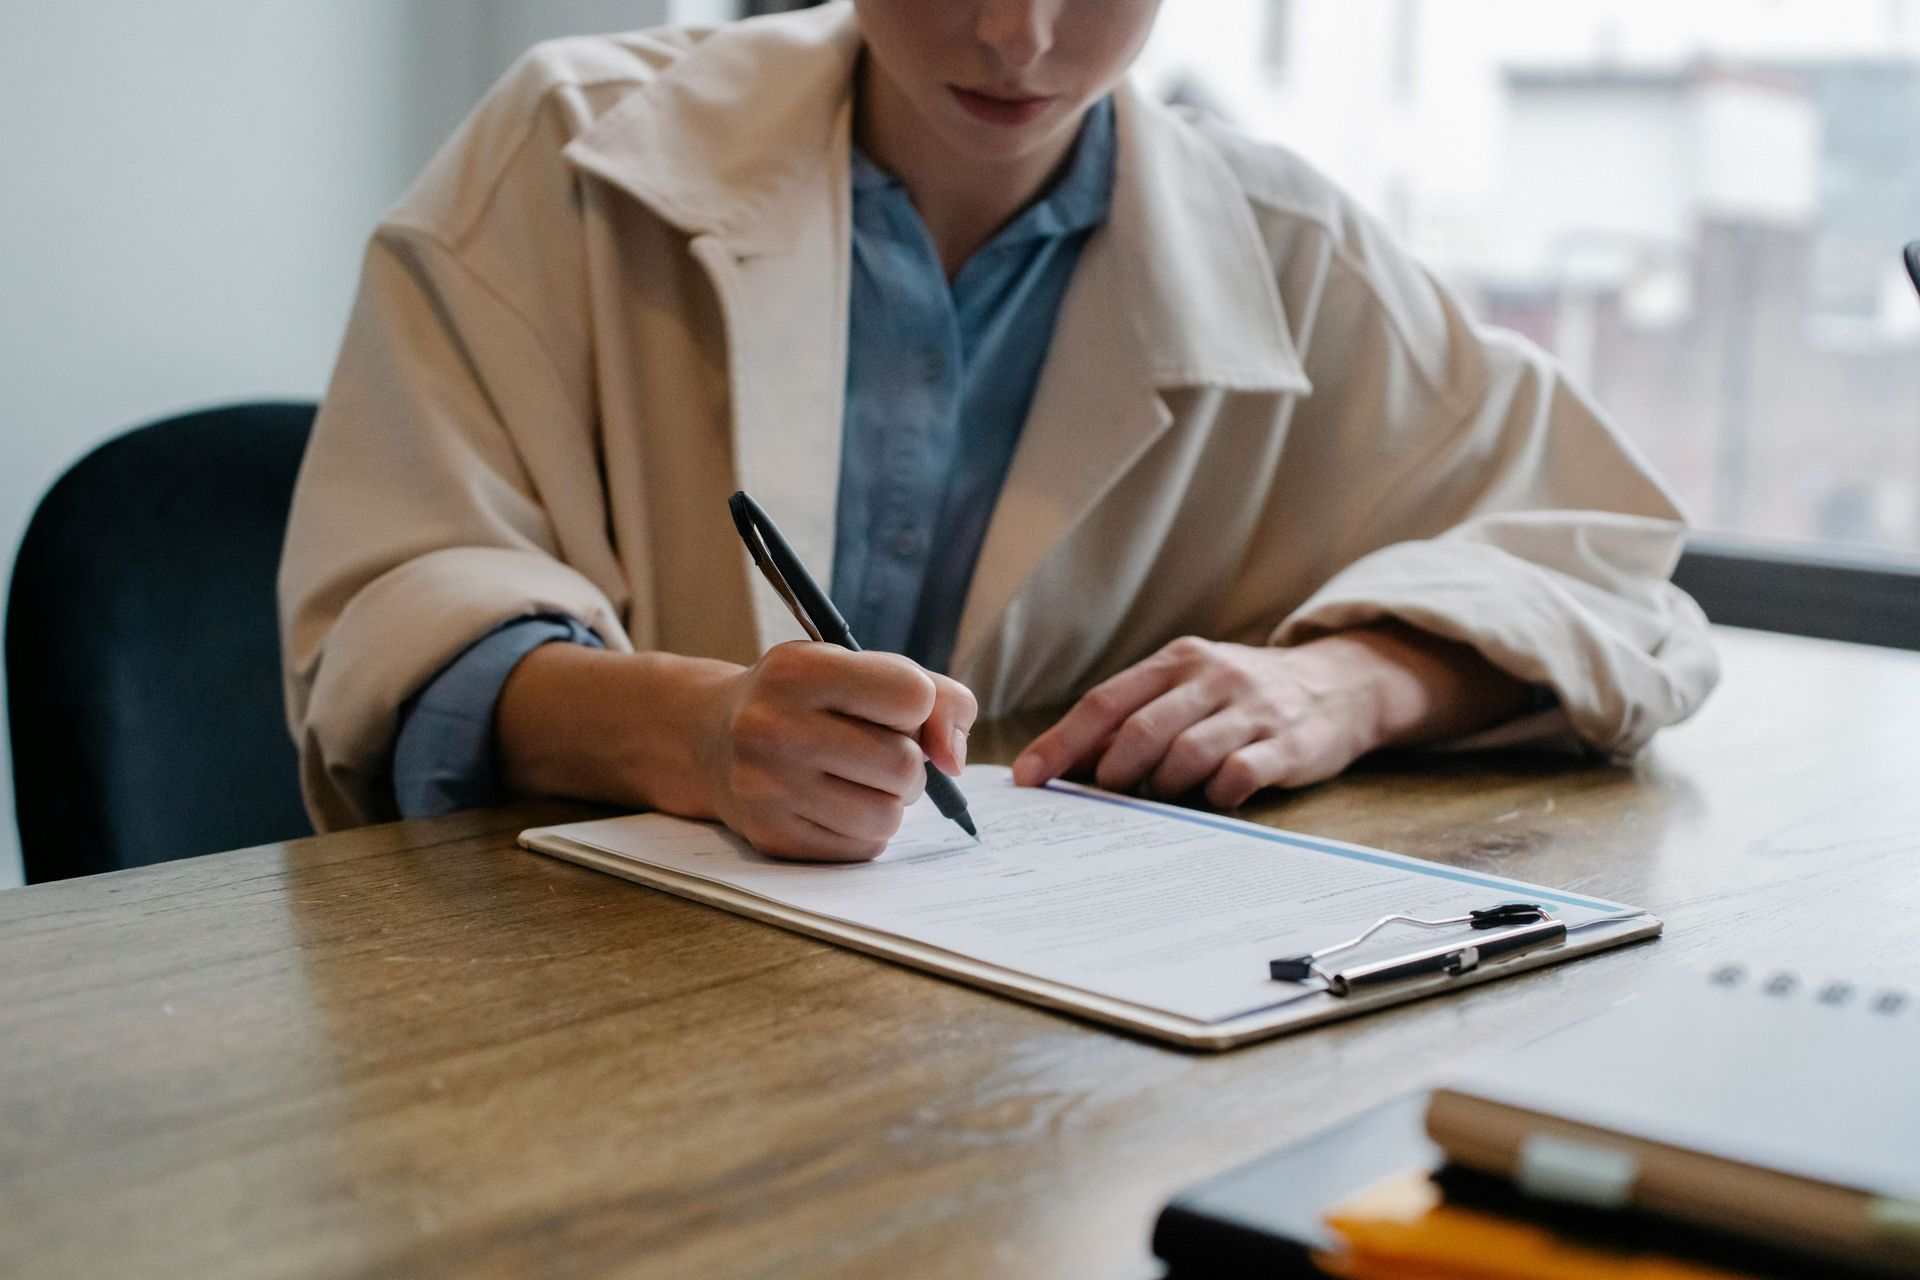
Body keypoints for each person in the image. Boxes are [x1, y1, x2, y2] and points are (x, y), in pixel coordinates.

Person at [279, 0, 1718, 862]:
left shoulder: (1294, 254)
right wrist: (698, 736)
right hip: (582, 1016)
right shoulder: (566, 148)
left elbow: (1618, 579)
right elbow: (395, 617)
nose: (1020, 38)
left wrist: (1348, 685)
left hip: (1052, 1050)